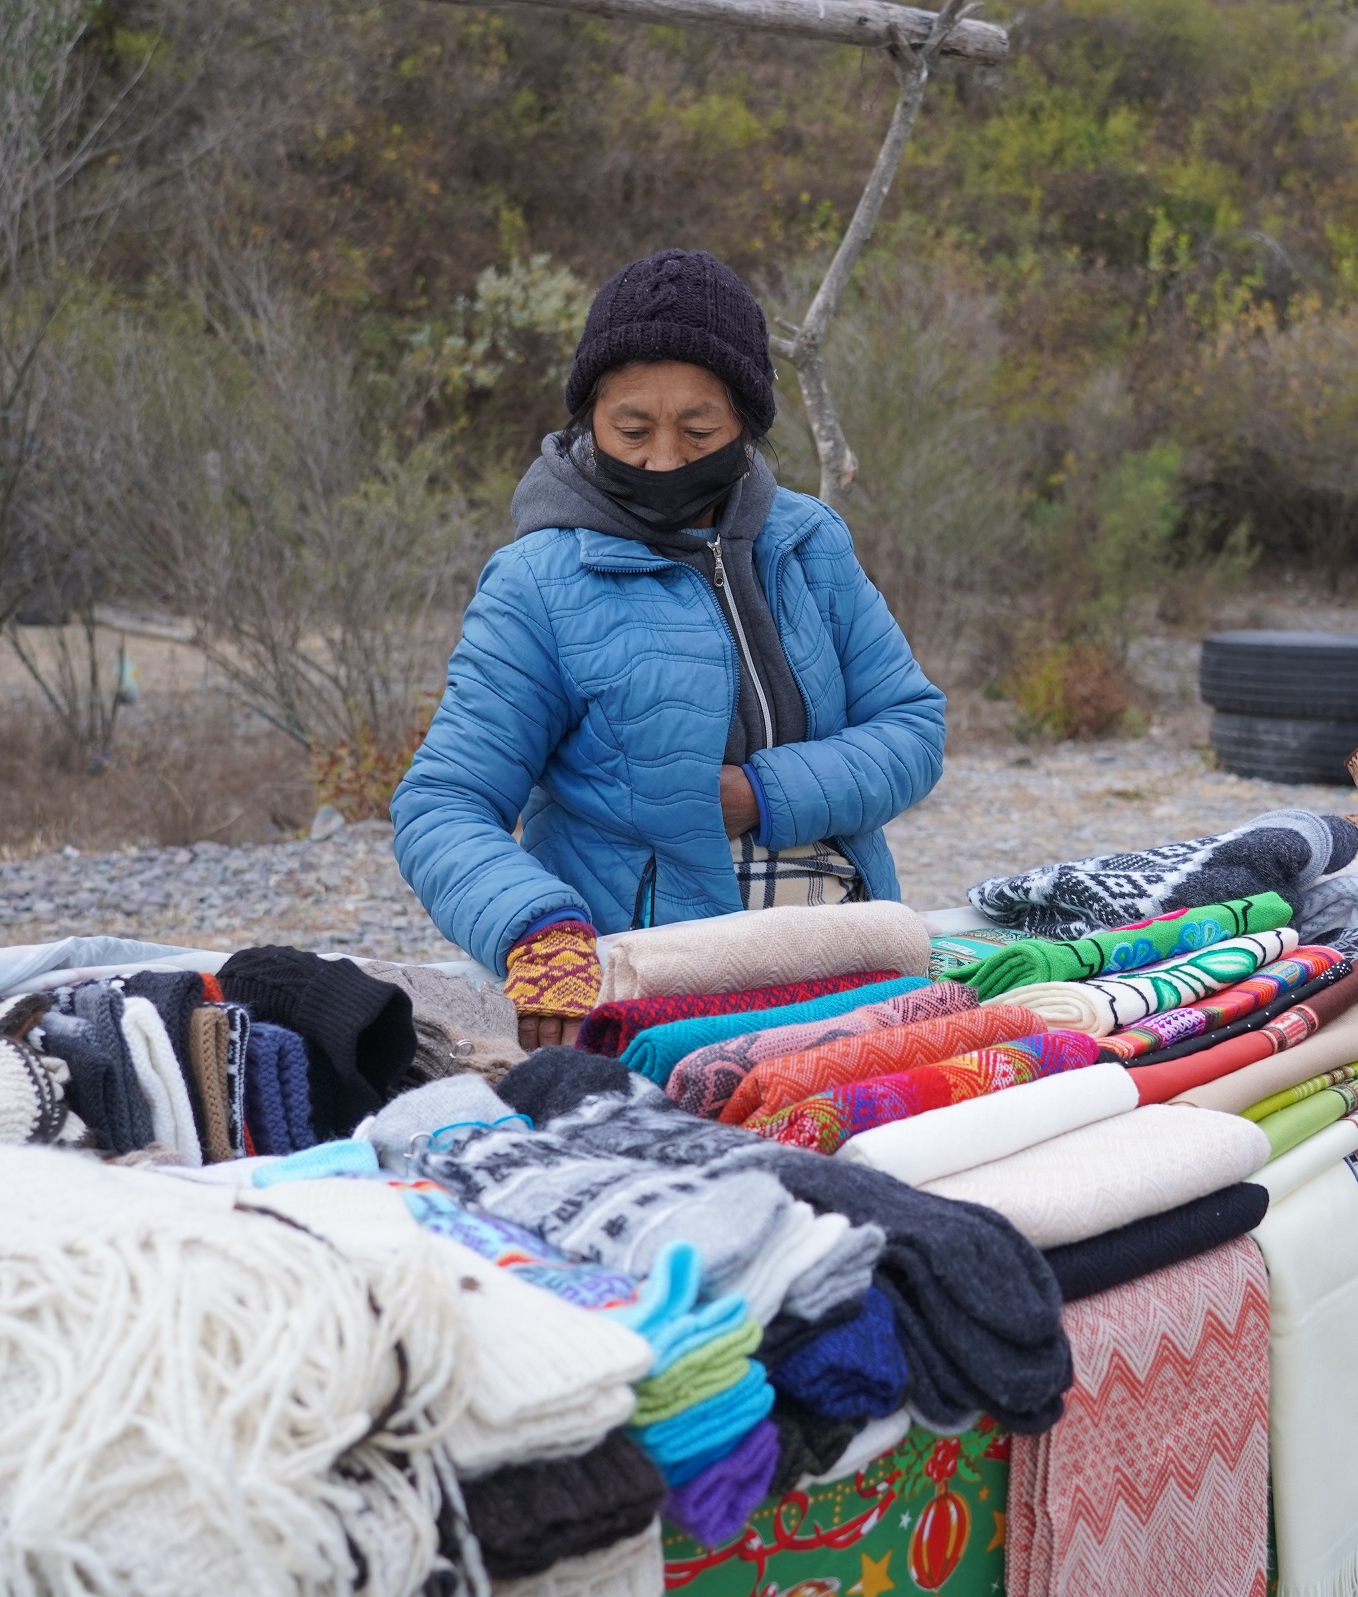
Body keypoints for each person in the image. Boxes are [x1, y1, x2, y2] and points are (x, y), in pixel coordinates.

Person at [392, 249, 946, 1047]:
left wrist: (761, 794)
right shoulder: (538, 582)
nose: (662, 459)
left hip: (850, 957)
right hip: (659, 988)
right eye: (632, 429)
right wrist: (538, 931)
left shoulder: (809, 543)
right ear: (589, 419)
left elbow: (913, 727)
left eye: (698, 430)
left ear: (746, 423)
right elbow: (443, 803)